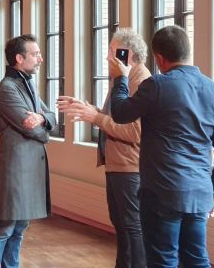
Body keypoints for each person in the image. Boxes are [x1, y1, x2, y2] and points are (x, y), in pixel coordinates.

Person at [109, 25, 214, 267]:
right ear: (188, 51)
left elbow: (120, 113)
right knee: (197, 260)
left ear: (159, 58)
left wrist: (121, 79)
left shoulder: (157, 85)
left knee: (162, 260)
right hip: (200, 192)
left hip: (162, 191)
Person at [57, 29, 150, 268]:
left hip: (130, 167)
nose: (108, 57)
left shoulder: (138, 80)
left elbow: (133, 132)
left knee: (132, 226)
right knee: (121, 224)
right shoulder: (123, 78)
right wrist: (90, 110)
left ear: (126, 54)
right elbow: (117, 118)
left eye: (112, 51)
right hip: (118, 165)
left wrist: (96, 118)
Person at [0, 34, 57, 268]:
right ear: (19, 58)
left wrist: (42, 119)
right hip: (15, 167)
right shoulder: (6, 89)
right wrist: (45, 128)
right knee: (5, 226)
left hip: (30, 167)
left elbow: (53, 116)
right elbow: (33, 130)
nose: (40, 59)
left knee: (20, 226)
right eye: (35, 54)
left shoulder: (28, 85)